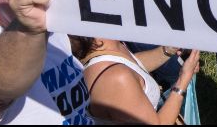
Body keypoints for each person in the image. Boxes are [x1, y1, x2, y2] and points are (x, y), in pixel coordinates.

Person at [71, 36, 199, 124]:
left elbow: (132, 65)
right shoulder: (114, 78)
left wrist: (167, 50)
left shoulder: (108, 45)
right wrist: (183, 80)